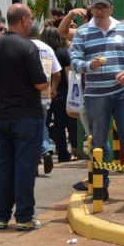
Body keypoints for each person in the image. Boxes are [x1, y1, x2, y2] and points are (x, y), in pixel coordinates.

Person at [70, 0, 124, 202]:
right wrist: (89, 65)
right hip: (96, 95)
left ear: (111, 9)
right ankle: (101, 186)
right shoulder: (83, 32)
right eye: (96, 7)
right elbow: (74, 61)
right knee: (99, 142)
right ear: (91, 9)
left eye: (104, 7)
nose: (100, 11)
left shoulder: (123, 28)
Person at [0, 3, 48, 231]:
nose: (32, 23)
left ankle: (1, 216)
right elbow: (41, 84)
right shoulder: (28, 47)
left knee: (4, 166)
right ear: (24, 20)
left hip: (1, 115)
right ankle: (24, 217)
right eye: (31, 19)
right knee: (25, 167)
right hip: (27, 115)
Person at [29, 21, 60, 174]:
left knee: (29, 129)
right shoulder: (47, 48)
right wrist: (53, 88)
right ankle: (46, 150)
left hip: (28, 94)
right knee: (41, 124)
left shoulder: (24, 46)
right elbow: (57, 73)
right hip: (44, 93)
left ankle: (35, 161)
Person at [42, 25, 75, 163]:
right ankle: (62, 153)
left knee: (43, 124)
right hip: (61, 92)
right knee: (60, 125)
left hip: (44, 92)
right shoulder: (62, 52)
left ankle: (42, 151)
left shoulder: (42, 52)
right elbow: (68, 74)